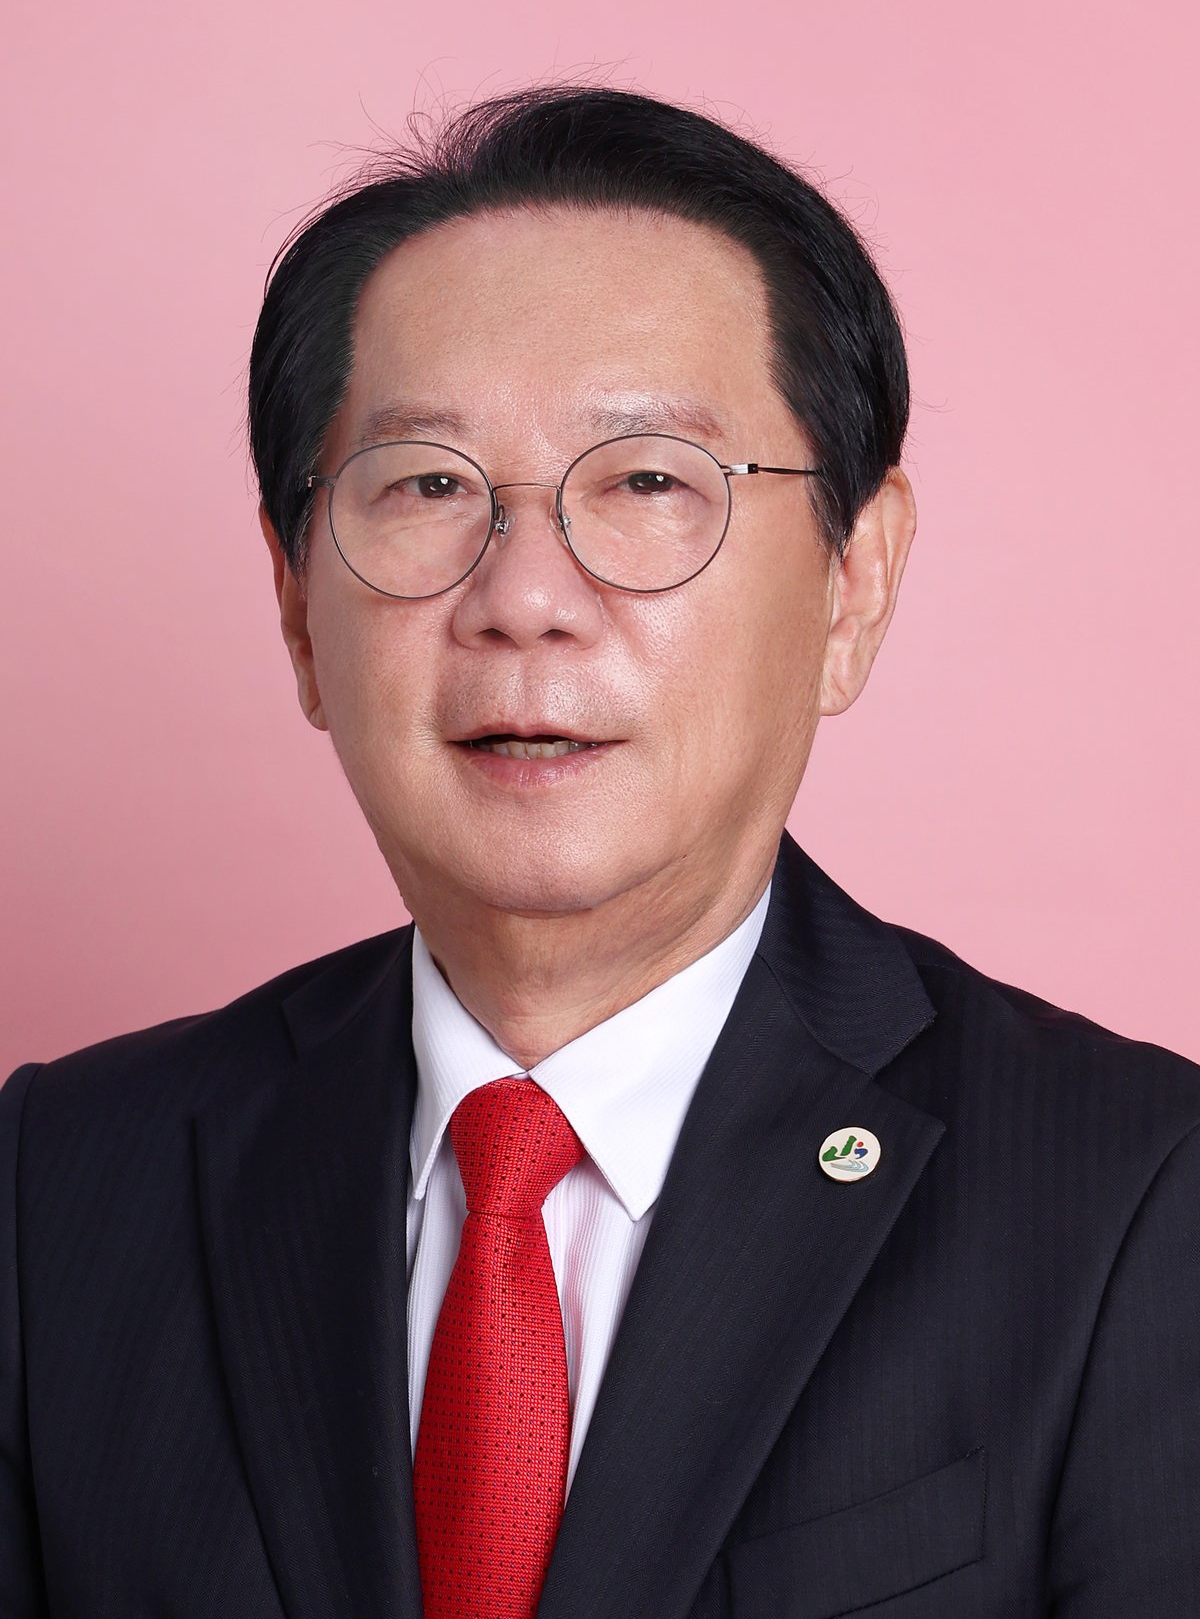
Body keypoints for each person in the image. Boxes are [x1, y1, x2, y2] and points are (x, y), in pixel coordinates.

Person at [1, 85, 1197, 1619]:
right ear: (298, 609)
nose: (525, 601)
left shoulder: (1137, 1202)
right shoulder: (61, 1187)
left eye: (645, 484)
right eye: (430, 485)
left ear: (853, 583)